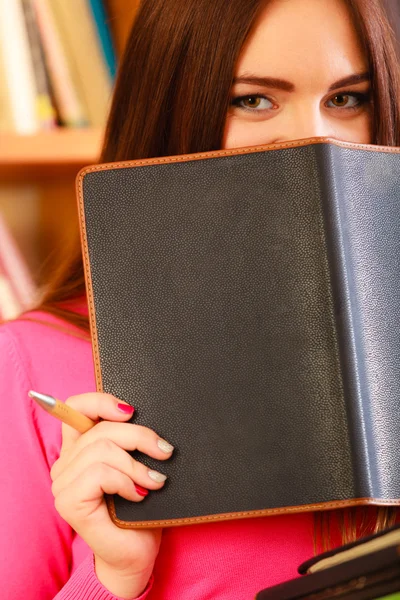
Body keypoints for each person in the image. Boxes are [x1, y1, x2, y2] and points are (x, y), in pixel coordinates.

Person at [1, 0, 400, 598]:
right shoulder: (33, 361)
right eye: (253, 99)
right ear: (169, 107)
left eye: (347, 98)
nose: (314, 137)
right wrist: (114, 576)